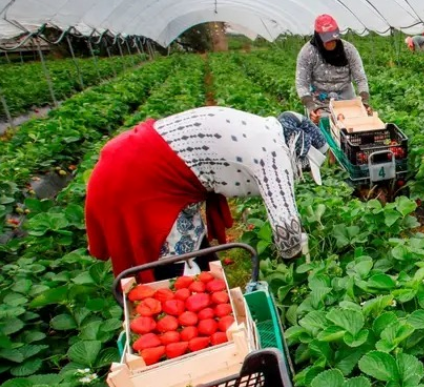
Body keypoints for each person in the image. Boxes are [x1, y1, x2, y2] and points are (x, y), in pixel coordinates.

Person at [86, 107, 329, 281]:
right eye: (306, 168)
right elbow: (286, 230)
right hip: (137, 177)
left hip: (136, 158)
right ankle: (181, 309)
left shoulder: (265, 130)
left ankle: (208, 293)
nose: (302, 174)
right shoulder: (274, 153)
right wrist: (302, 271)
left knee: (196, 247)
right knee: (177, 261)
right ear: (299, 152)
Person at [295, 14, 370, 123]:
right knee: (323, 129)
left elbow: (361, 79)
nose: (331, 43)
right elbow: (302, 84)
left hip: (347, 103)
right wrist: (311, 107)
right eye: (327, 39)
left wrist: (363, 101)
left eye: (333, 38)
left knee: (354, 127)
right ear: (318, 38)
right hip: (321, 105)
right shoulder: (308, 53)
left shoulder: (348, 50)